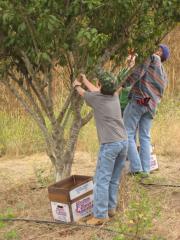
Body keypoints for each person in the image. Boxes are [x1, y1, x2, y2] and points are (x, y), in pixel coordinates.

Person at [73, 72, 128, 225]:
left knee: (101, 180)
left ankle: (100, 215)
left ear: (101, 86)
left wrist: (77, 84)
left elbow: (83, 92)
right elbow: (96, 90)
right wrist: (85, 80)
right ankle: (111, 208)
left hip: (110, 145)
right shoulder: (115, 96)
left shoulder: (96, 99)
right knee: (114, 178)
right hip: (123, 142)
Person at [122, 44, 170, 176]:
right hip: (152, 105)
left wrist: (122, 84)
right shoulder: (164, 73)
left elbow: (138, 72)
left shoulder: (152, 58)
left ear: (160, 53)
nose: (156, 50)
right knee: (145, 137)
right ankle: (146, 170)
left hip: (141, 99)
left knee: (127, 133)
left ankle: (136, 169)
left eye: (159, 49)